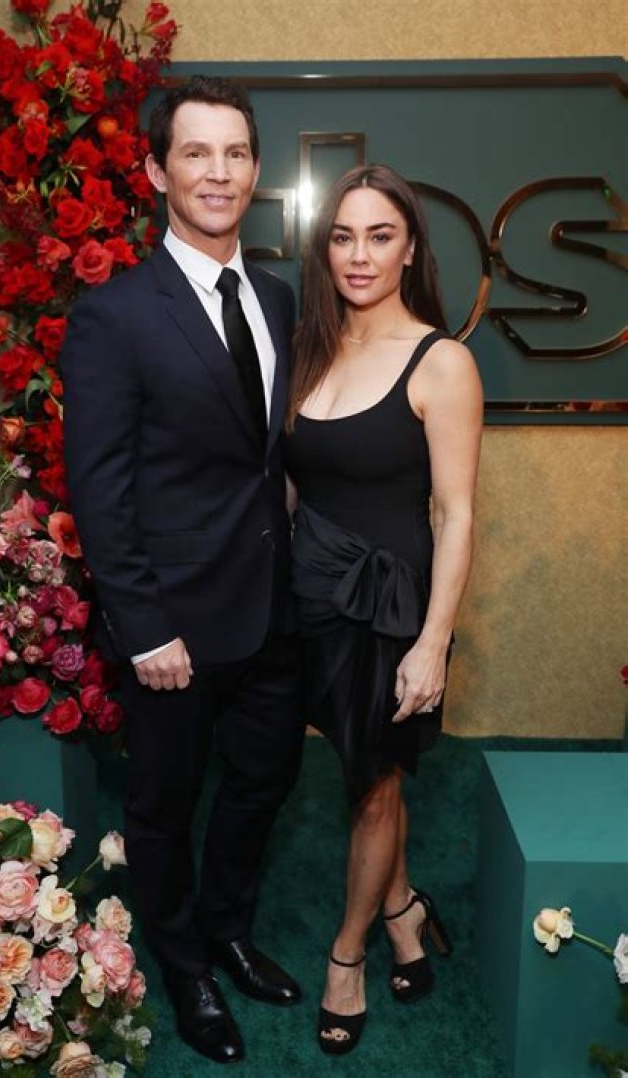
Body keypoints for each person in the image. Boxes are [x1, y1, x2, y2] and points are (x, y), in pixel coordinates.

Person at [60, 75, 305, 1065]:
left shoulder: (279, 299)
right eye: (196, 152)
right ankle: (183, 960)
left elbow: (265, 459)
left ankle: (227, 927)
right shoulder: (114, 315)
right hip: (173, 627)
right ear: (157, 171)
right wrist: (144, 624)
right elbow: (99, 489)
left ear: (255, 169)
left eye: (235, 153)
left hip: (272, 610)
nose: (218, 171)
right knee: (163, 805)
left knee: (265, 780)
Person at [284, 164, 483, 1054]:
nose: (359, 255)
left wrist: (433, 642)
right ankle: (404, 910)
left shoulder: (442, 360)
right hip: (309, 598)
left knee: (373, 787)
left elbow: (457, 513)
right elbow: (291, 486)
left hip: (391, 610)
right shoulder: (307, 348)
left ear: (409, 251)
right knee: (361, 771)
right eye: (343, 236)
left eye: (380, 236)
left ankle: (347, 954)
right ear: (324, 250)